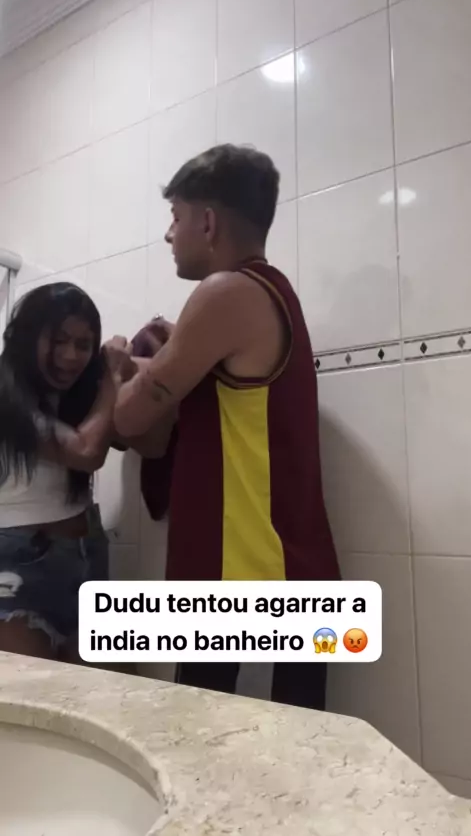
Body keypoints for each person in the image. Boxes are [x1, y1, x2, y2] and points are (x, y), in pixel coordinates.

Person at [114, 144, 340, 709]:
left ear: (208, 222)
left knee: (196, 737)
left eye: (176, 216)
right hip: (292, 571)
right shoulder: (271, 293)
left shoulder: (225, 292)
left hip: (241, 575)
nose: (169, 233)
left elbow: (130, 417)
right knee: (300, 747)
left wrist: (115, 369)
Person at [0, 282, 130, 662]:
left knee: (104, 690)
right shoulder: (5, 393)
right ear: (27, 336)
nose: (71, 356)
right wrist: (112, 380)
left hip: (85, 552)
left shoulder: (78, 397)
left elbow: (150, 443)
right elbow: (86, 453)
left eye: (83, 344)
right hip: (19, 565)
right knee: (36, 692)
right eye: (58, 341)